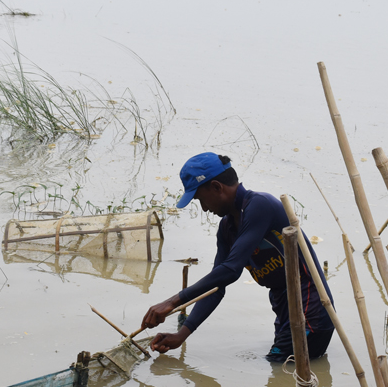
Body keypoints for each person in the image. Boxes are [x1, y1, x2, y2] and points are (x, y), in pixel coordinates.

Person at [141, 153, 334, 362]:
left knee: (280, 370)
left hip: (309, 307)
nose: (204, 208)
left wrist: (172, 301)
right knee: (283, 376)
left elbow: (231, 270)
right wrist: (182, 334)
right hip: (283, 308)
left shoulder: (260, 205)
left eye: (200, 199)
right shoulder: (227, 228)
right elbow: (216, 287)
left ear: (216, 187)